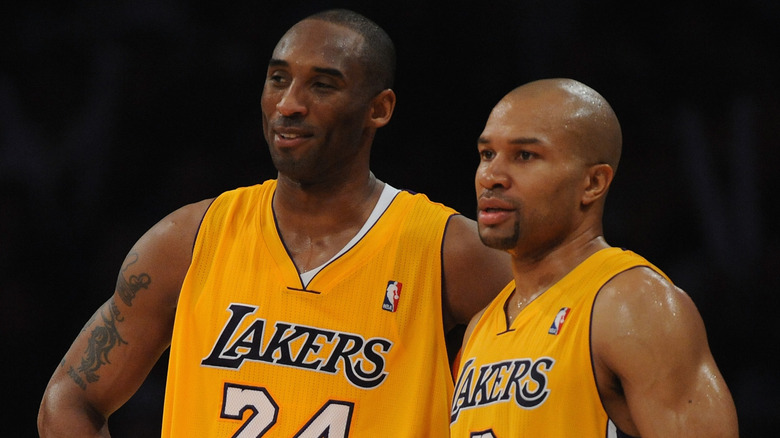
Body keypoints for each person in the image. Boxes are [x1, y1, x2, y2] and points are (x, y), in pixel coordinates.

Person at [38, 9, 512, 437]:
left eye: (322, 85)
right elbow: (68, 400)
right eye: (277, 79)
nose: (288, 104)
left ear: (379, 109)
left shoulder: (446, 249)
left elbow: (567, 353)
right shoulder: (190, 238)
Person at [449, 78, 739, 437]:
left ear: (593, 183)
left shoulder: (634, 303)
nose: (491, 176)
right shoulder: (481, 326)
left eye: (525, 155)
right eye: (487, 154)